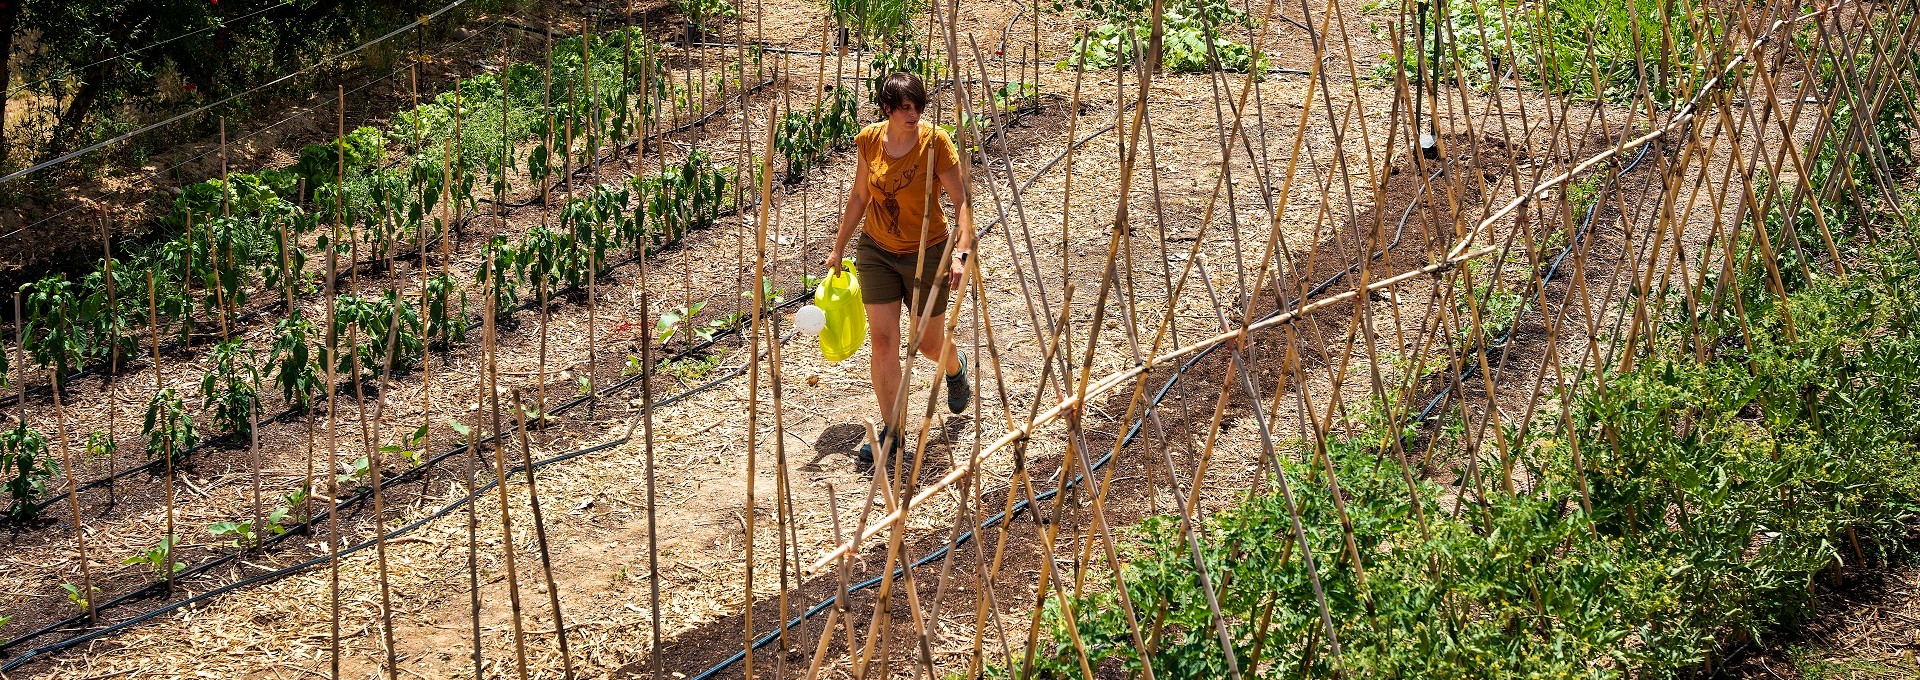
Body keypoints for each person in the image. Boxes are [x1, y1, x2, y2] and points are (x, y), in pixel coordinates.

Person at [826, 71, 974, 471]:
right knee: (883, 341)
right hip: (877, 249)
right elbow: (860, 196)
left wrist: (961, 255)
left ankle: (955, 367)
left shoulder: (935, 144)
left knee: (926, 344)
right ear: (888, 109)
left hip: (927, 251)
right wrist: (839, 248)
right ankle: (892, 433)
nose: (914, 114)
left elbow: (962, 201)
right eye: (905, 108)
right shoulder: (869, 141)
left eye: (918, 107)